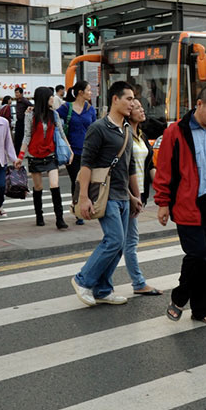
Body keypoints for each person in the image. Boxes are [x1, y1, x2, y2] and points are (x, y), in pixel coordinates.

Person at [155, 84, 206, 326]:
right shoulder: (175, 132)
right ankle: (180, 297)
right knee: (198, 254)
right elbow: (164, 169)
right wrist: (162, 203)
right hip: (187, 203)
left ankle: (202, 310)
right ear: (199, 104)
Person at [70, 81, 141, 306]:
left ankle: (103, 289)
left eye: (133, 99)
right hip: (105, 195)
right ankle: (83, 280)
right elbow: (86, 165)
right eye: (128, 99)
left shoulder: (127, 130)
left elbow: (129, 167)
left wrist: (134, 195)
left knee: (118, 244)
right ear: (115, 99)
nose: (132, 103)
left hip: (123, 196)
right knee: (114, 240)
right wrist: (83, 197)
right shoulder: (98, 128)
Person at [17, 86, 70, 229]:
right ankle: (39, 216)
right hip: (34, 155)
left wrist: (68, 149)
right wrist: (20, 157)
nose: (53, 98)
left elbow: (61, 133)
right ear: (43, 99)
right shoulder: (30, 115)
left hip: (51, 154)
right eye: (50, 96)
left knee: (54, 185)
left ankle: (60, 219)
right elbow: (27, 136)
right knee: (38, 187)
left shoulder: (54, 115)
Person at [125, 98, 161, 296]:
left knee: (118, 242)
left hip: (139, 194)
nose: (142, 110)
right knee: (126, 241)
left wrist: (161, 188)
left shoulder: (141, 135)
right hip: (127, 195)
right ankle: (138, 282)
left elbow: (149, 166)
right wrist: (131, 195)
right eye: (137, 107)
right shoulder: (124, 134)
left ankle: (97, 281)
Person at [56, 81, 96, 225]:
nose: (91, 93)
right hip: (72, 152)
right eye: (89, 90)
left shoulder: (91, 109)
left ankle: (83, 206)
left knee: (87, 180)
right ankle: (78, 209)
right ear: (80, 92)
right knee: (76, 180)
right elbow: (52, 117)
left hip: (88, 151)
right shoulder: (67, 107)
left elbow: (95, 129)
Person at [12, 87, 31, 155]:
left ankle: (20, 153)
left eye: (17, 93)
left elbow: (31, 106)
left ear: (21, 93)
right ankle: (16, 153)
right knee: (17, 139)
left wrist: (27, 112)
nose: (16, 94)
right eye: (15, 93)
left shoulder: (24, 101)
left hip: (23, 122)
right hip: (18, 121)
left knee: (22, 138)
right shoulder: (18, 101)